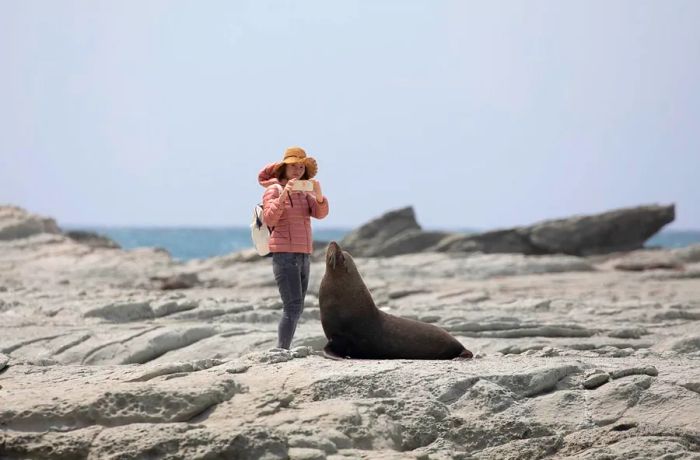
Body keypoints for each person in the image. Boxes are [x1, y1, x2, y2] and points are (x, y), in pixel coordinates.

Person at [258, 146, 330, 349]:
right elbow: (270, 218)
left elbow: (320, 213)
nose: (298, 170)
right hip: (285, 255)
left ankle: (283, 348)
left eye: (301, 167)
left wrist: (319, 195)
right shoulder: (274, 190)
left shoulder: (303, 193)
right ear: (284, 168)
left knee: (296, 308)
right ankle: (281, 349)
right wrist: (284, 195)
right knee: (292, 306)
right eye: (293, 166)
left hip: (304, 255)